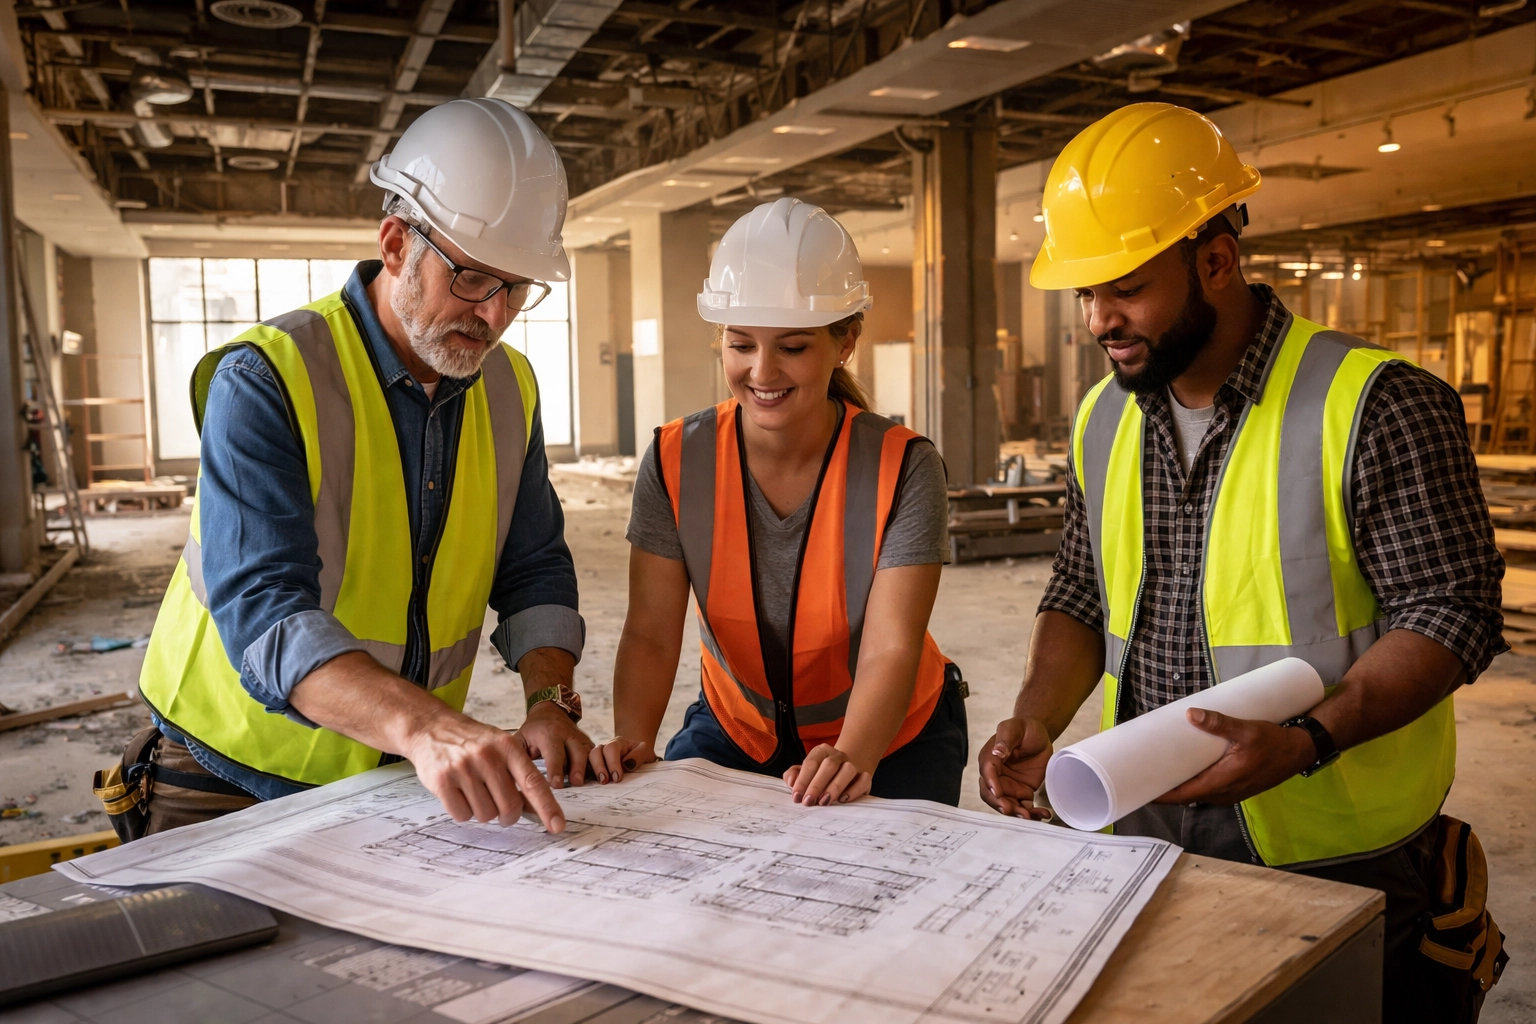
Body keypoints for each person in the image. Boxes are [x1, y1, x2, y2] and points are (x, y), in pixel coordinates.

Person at [977, 103, 1505, 1021]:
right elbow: (1079, 591)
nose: (1100, 319)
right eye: (1085, 294)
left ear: (1215, 261)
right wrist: (1034, 718)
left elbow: (1452, 613)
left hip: (1336, 842)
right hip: (1139, 823)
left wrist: (1309, 741)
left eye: (1125, 287)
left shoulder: (1375, 402)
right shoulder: (1105, 416)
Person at [115, 99, 593, 838]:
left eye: (517, 288)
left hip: (394, 778)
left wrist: (549, 701)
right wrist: (429, 728)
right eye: (471, 278)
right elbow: (269, 614)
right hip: (227, 778)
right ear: (396, 243)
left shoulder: (511, 388)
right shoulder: (267, 377)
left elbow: (533, 567)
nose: (494, 315)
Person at [590, 198, 968, 806]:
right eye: (741, 345)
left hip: (889, 734)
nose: (761, 372)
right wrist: (633, 739)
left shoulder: (904, 467)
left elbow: (890, 646)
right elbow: (651, 634)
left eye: (792, 347)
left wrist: (852, 757)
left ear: (845, 341)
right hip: (739, 727)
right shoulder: (674, 459)